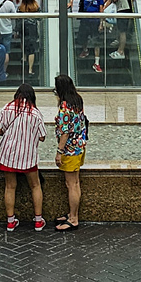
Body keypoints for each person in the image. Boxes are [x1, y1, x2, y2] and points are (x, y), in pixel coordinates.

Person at [0, 83, 47, 232]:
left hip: (9, 155)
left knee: (10, 186)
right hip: (28, 156)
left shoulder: (7, 108)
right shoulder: (35, 113)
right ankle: (38, 221)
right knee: (35, 186)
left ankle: (11, 221)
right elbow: (42, 137)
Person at [52, 74, 88, 231]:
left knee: (71, 184)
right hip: (79, 146)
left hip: (70, 150)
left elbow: (65, 132)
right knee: (76, 182)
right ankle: (72, 214)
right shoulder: (77, 100)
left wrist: (59, 152)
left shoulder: (65, 107)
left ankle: (73, 219)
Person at [73, 0, 109, 73]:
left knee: (96, 41)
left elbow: (101, 9)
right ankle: (85, 50)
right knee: (83, 37)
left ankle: (97, 62)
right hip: (85, 21)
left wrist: (101, 23)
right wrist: (70, 1)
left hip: (95, 21)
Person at [20, 0, 42, 79]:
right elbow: (40, 18)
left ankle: (24, 57)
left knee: (24, 42)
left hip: (23, 29)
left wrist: (17, 31)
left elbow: (18, 20)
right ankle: (30, 69)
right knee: (32, 49)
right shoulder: (36, 7)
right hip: (33, 30)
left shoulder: (21, 8)